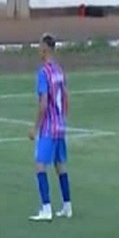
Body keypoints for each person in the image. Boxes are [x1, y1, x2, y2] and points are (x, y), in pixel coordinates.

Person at [29, 33, 72, 222]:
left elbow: (44, 104)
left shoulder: (43, 73)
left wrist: (35, 128)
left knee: (40, 165)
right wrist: (64, 119)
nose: (38, 50)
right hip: (60, 126)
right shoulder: (59, 71)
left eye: (40, 47)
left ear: (45, 49)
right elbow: (66, 96)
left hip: (48, 127)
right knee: (60, 166)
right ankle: (67, 206)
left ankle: (46, 208)